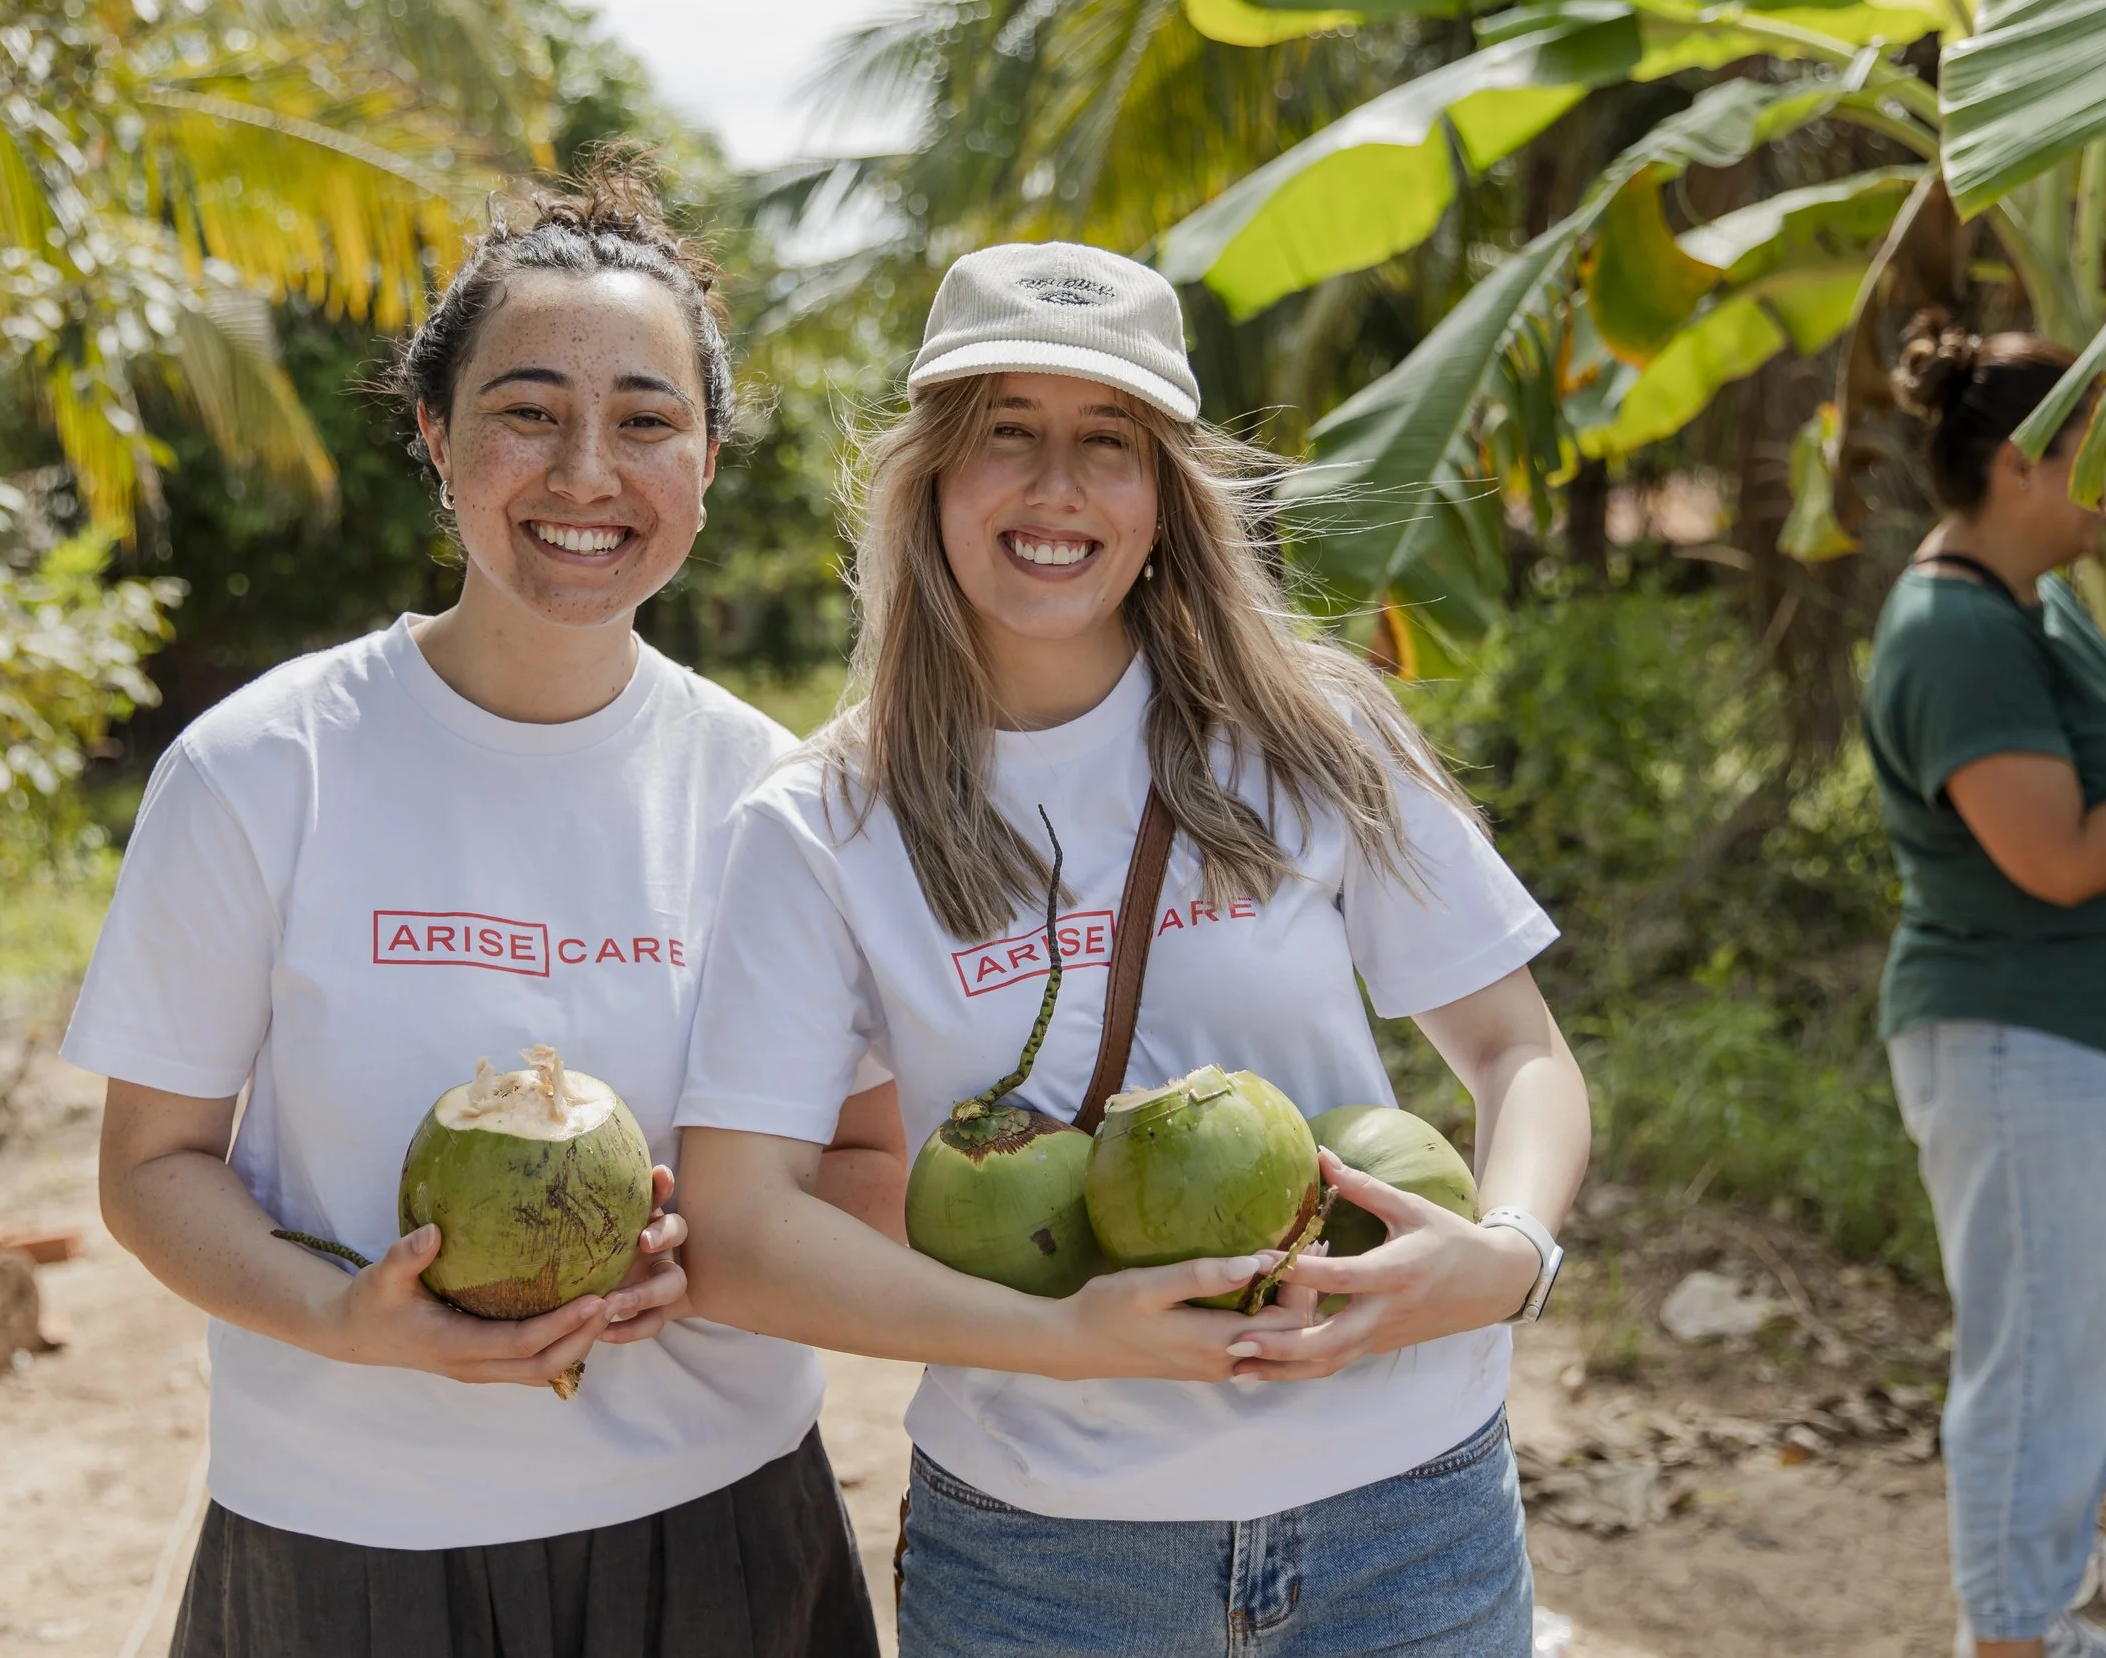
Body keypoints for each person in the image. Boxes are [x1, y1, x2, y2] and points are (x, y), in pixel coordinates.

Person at [674, 241, 1591, 1657]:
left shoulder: (1310, 734)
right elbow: (738, 1231)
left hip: (1405, 1518)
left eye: (1107, 442)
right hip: (1052, 1557)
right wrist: (1071, 1336)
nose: (1055, 489)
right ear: (929, 481)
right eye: (1006, 436)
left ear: (1165, 496)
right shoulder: (822, 824)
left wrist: (1509, 1253)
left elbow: (1515, 1048)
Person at [68, 156, 890, 1658]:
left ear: (706, 461)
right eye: (529, 411)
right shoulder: (263, 767)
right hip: (347, 1540)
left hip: (715, 1531)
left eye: (646, 421)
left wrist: (705, 1249)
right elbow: (153, 1168)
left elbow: (876, 1167)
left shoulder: (781, 799)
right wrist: (341, 1319)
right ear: (438, 439)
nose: (587, 473)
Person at [1863, 311, 2106, 1658]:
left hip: (2070, 1041)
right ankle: (2013, 1641)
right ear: (2025, 461)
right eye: (2102, 443)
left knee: (2086, 1356)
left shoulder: (2040, 606)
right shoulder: (1954, 630)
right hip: (2020, 1044)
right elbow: (2062, 856)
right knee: (2037, 1368)